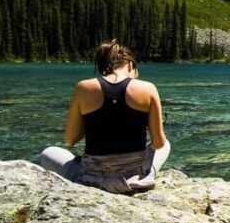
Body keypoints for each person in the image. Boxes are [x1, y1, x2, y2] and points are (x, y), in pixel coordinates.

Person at [39, 40, 170, 193]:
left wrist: (91, 124)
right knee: (166, 144)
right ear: (129, 64)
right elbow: (158, 143)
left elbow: (70, 139)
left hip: (92, 180)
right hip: (132, 180)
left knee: (47, 153)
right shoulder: (147, 88)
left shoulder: (83, 88)